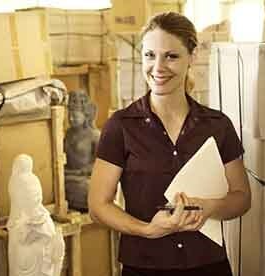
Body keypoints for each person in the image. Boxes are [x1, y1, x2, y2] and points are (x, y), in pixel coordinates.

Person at [88, 12, 251, 276]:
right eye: (150, 55)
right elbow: (98, 206)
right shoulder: (120, 126)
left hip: (208, 264)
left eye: (171, 56)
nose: (158, 67)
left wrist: (209, 207)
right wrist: (148, 230)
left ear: (192, 58)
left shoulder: (218, 125)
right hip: (144, 266)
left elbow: (242, 197)